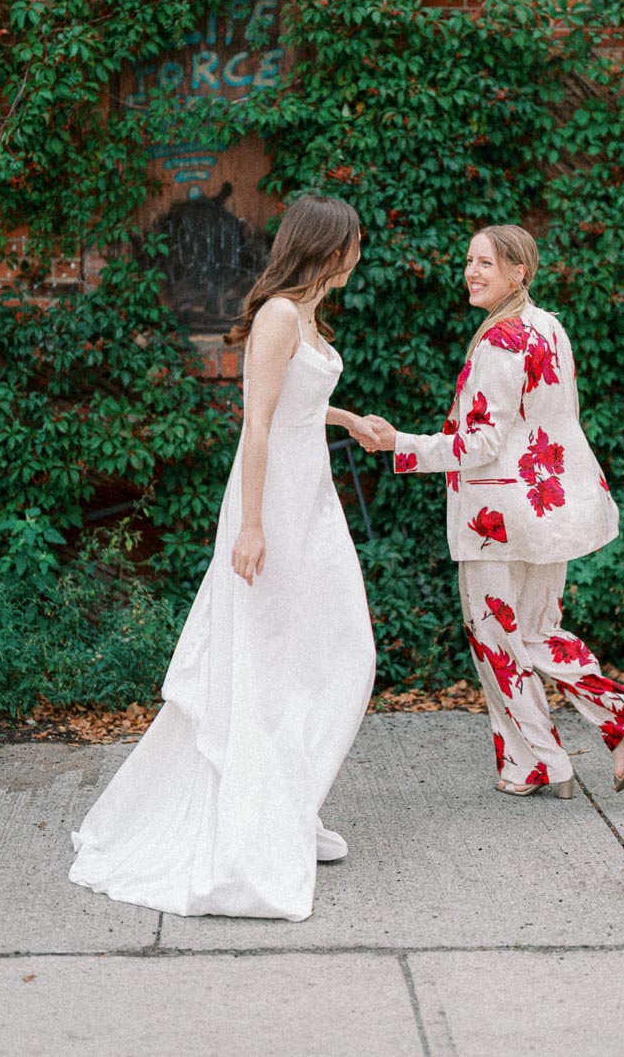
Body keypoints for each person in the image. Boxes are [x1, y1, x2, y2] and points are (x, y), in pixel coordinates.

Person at [69, 194, 377, 920]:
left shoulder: (304, 317)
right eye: (352, 244)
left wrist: (345, 418)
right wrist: (251, 527)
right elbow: (258, 424)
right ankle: (262, 817)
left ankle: (290, 801)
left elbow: (295, 405)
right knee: (267, 662)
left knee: (333, 653)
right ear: (328, 249)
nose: (357, 256)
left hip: (310, 502)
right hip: (271, 505)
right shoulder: (275, 316)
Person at [363, 224, 624, 797]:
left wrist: (399, 444)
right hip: (548, 507)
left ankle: (592, 730)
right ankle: (544, 757)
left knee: (496, 640)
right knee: (537, 632)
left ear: (518, 272)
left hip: (496, 517)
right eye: (469, 261)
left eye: (486, 264)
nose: (472, 272)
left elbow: (480, 443)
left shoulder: (500, 340)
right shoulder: (548, 327)